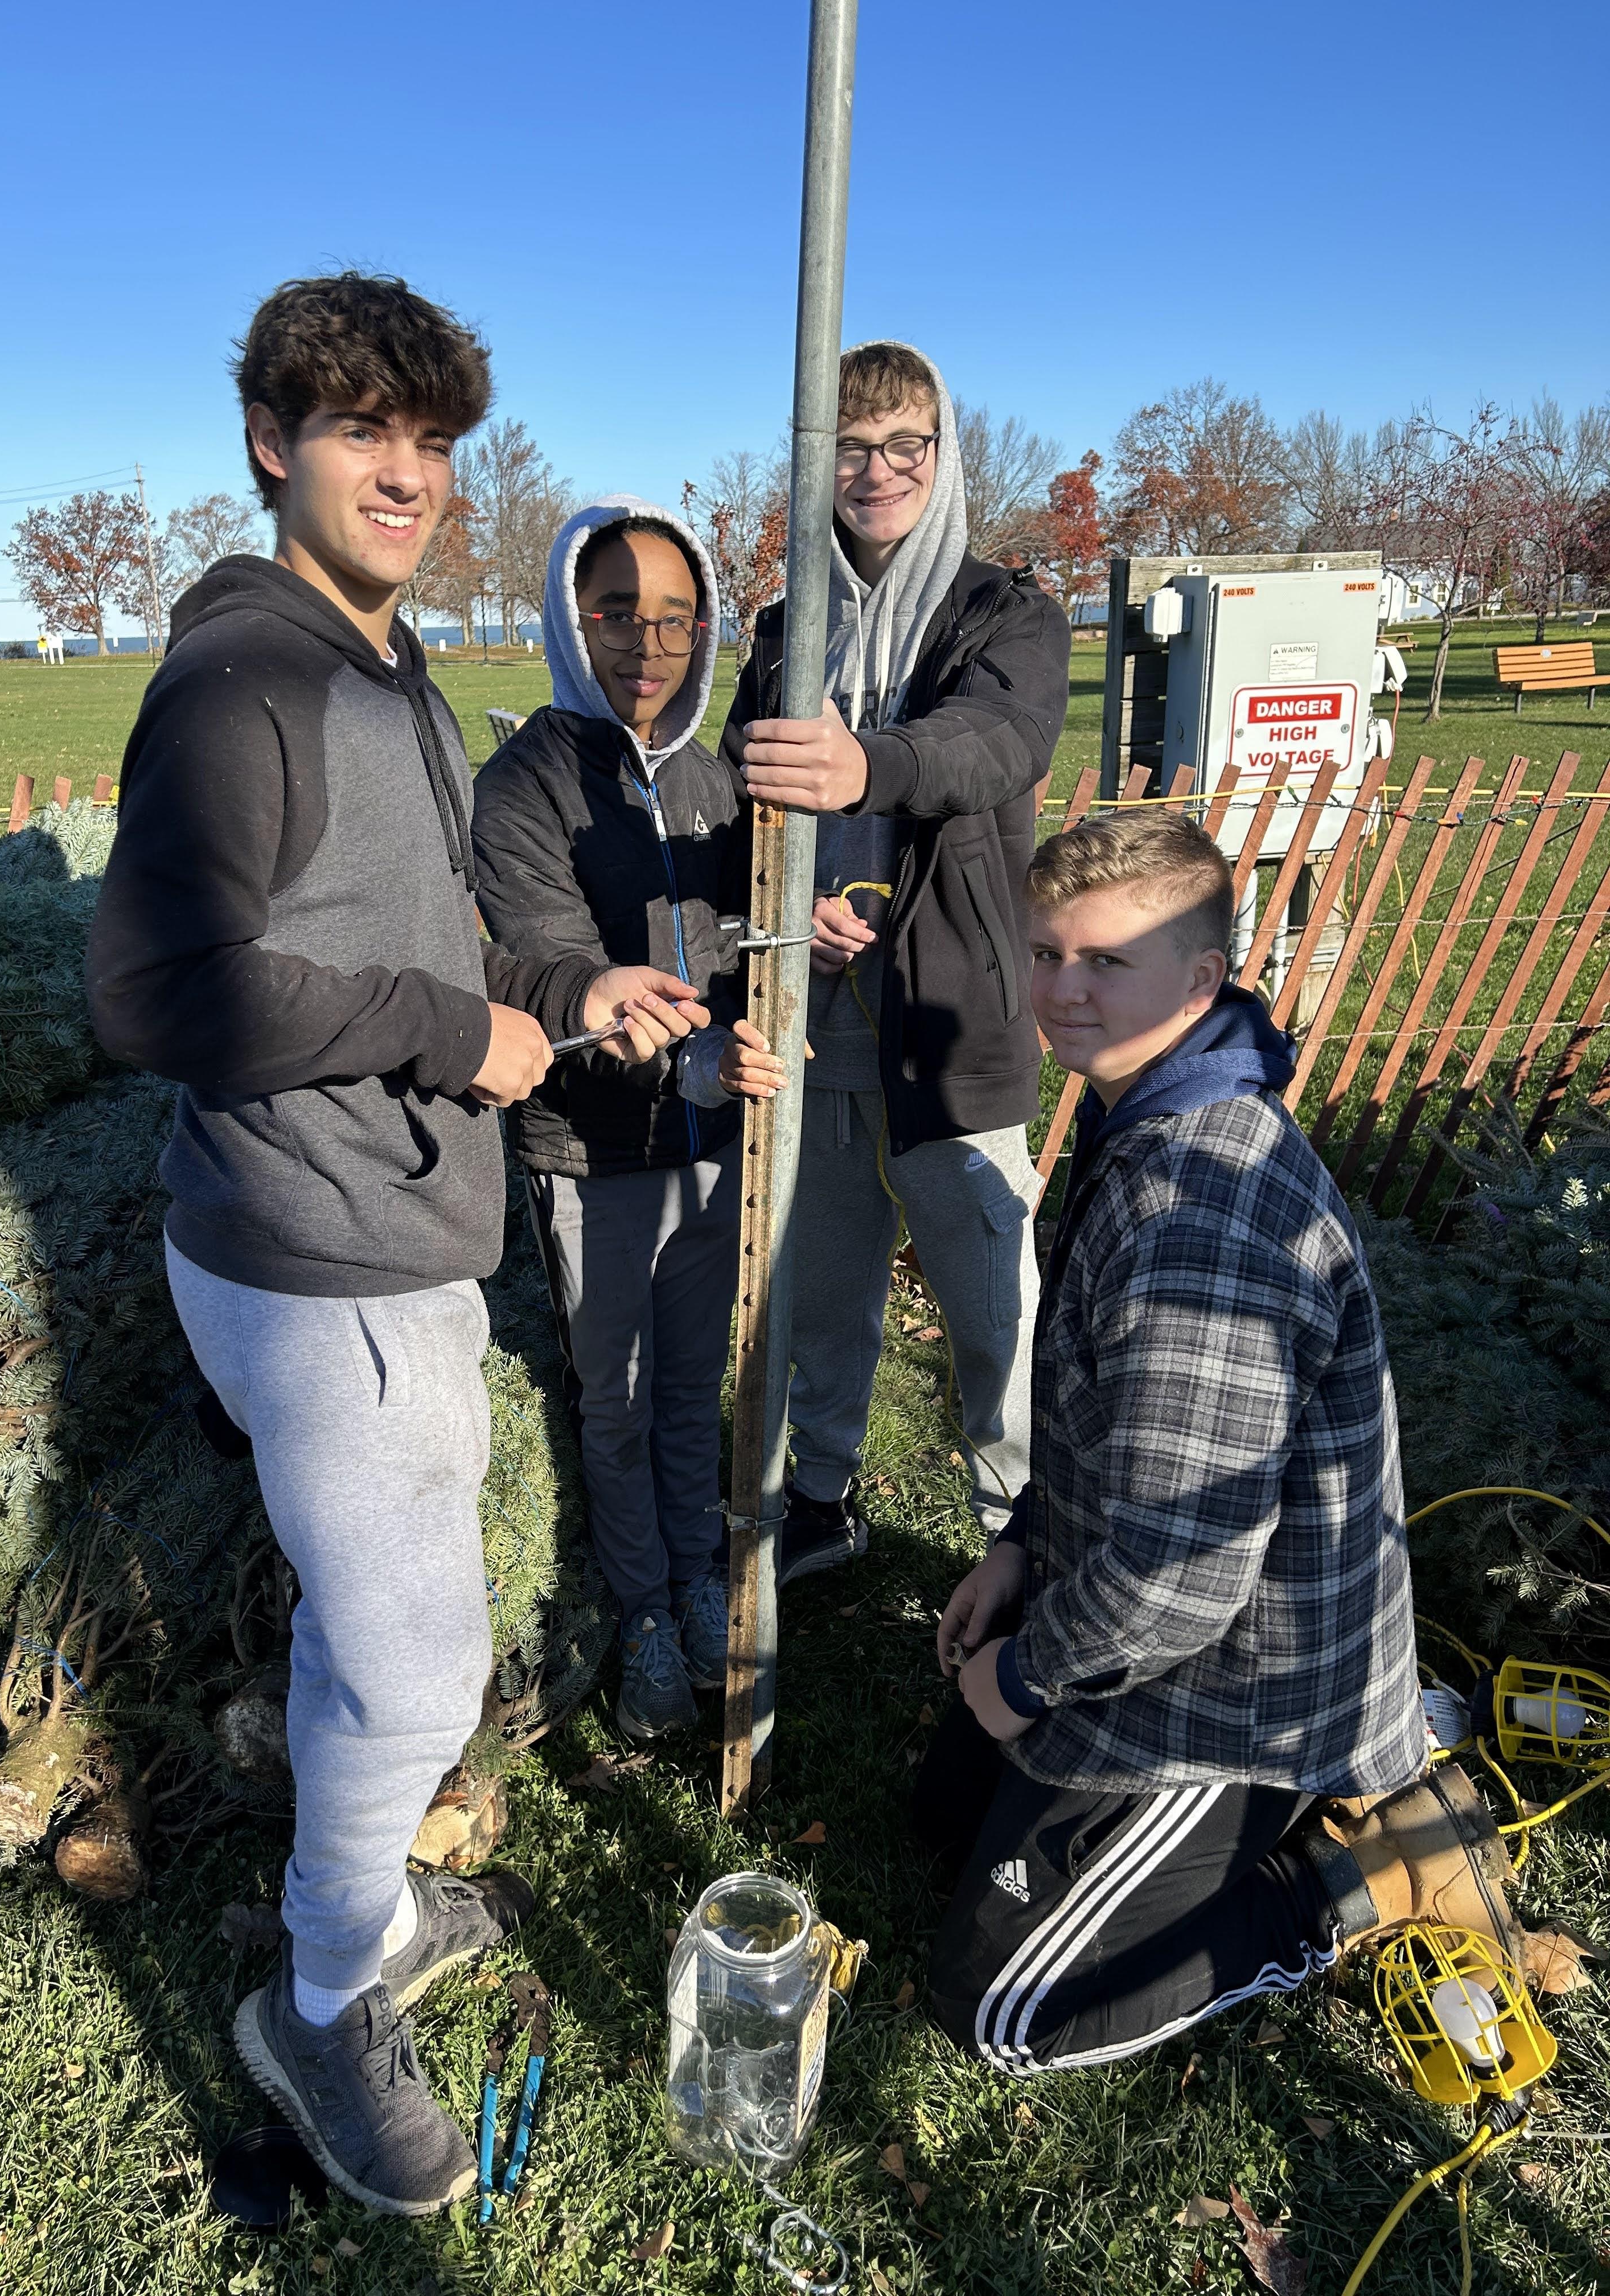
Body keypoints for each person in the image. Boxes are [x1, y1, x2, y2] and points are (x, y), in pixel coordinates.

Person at [86, 274, 705, 2214]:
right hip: (304, 1244)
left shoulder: (390, 675)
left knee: (407, 1642)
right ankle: (321, 1996)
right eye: (366, 433)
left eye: (432, 444)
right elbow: (159, 987)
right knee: (418, 1653)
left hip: (405, 1224)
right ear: (274, 442)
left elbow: (425, 945)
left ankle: (354, 1898)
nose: (407, 474)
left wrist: (563, 982)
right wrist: (457, 1034)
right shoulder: (242, 681)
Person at [916, 809, 1523, 2073]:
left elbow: (1181, 1583)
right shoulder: (1139, 1107)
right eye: (1045, 953)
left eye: (1105, 962)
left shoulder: (1206, 1214)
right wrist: (1025, 1545)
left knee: (1004, 2011)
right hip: (1149, 1610)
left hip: (1238, 1690)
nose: (1062, 993)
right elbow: (1115, 1431)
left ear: (1205, 977)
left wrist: (1029, 1676)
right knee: (936, 1815)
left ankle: (1352, 1874)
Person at [723, 340, 1070, 1583]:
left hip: (951, 1020)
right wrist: (785, 888)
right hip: (817, 1021)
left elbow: (999, 743)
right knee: (824, 1285)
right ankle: (822, 1491)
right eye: (848, 449)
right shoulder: (783, 632)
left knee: (996, 1312)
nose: (876, 472)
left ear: (944, 453)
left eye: (902, 445)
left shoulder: (1003, 616)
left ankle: (1018, 1526)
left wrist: (873, 763)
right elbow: (742, 790)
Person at [473, 499, 788, 1741]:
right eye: (616, 613)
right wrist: (684, 1069)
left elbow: (727, 946)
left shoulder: (717, 783)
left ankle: (702, 1585)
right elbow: (551, 969)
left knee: (687, 1388)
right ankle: (644, 1609)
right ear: (569, 617)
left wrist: (791, 953)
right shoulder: (527, 786)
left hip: (710, 1154)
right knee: (614, 1395)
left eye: (675, 616)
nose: (648, 643)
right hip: (589, 1155)